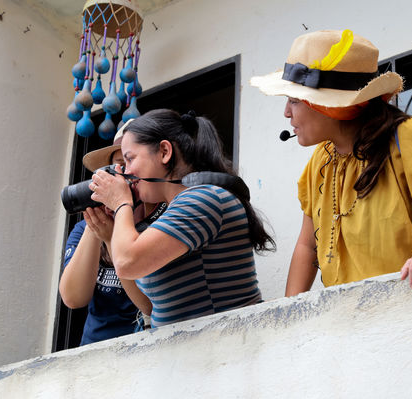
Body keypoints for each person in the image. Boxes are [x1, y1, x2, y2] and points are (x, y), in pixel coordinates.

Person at [250, 29, 412, 296]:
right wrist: (291, 318)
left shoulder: (411, 139)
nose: (286, 113)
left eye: (294, 101)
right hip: (349, 326)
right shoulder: (321, 160)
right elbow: (307, 247)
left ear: (331, 106)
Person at [85, 109, 275, 328]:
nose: (125, 173)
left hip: (222, 349)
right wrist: (110, 235)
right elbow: (148, 306)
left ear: (165, 151)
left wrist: (121, 203)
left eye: (130, 159)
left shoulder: (204, 199)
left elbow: (128, 262)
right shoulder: (176, 210)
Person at [59, 123, 162, 345]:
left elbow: (149, 304)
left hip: (146, 347)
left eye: (130, 163)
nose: (124, 175)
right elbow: (73, 298)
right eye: (117, 167)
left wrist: (110, 238)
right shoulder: (86, 228)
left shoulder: (160, 222)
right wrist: (95, 225)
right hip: (96, 348)